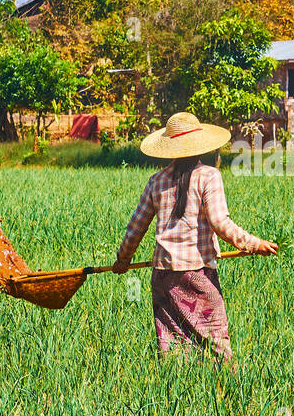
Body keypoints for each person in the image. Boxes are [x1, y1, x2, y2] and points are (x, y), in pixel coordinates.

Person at [113, 112, 278, 364]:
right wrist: (254, 244)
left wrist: (123, 260)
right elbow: (219, 222)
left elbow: (136, 228)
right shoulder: (209, 176)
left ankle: (176, 390)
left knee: (172, 341)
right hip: (197, 273)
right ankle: (228, 389)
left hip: (163, 275)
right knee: (215, 340)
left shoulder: (155, 181)